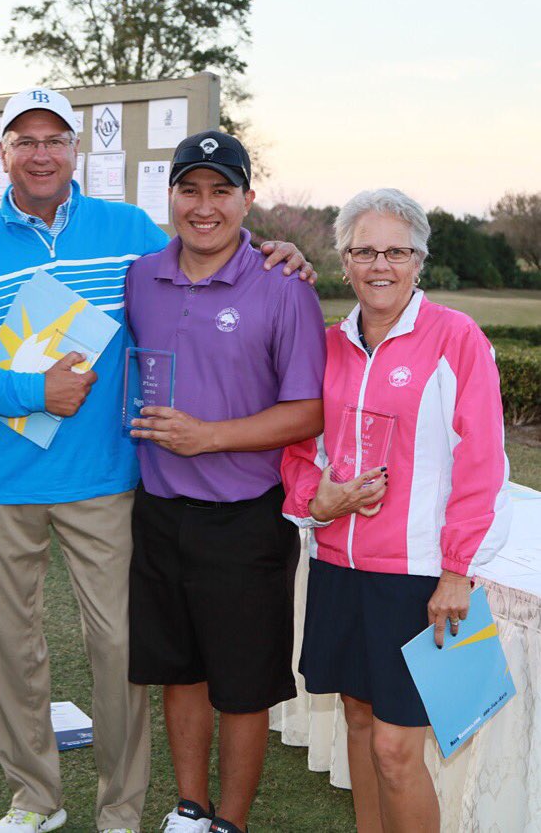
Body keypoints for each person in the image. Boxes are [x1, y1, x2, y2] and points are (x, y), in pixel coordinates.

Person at [0, 90, 313, 833]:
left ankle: (121, 808)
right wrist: (34, 388)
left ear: (74, 150)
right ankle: (36, 798)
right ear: (1, 152)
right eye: (23, 140)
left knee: (119, 650)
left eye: (54, 139)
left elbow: (205, 239)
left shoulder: (127, 231)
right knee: (13, 650)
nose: (40, 153)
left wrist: (275, 247)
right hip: (0, 482)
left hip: (106, 477)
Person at [281, 188, 511, 833]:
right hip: (338, 565)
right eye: (364, 251)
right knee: (358, 720)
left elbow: (482, 463)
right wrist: (313, 498)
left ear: (419, 261)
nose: (380, 265)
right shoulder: (325, 345)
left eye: (397, 251)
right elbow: (297, 450)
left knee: (395, 748)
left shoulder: (454, 338)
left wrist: (456, 570)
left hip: (416, 576)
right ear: (345, 262)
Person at [124, 130, 326, 833]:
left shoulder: (283, 286)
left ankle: (230, 821)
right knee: (178, 669)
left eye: (221, 190)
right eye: (190, 189)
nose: (203, 206)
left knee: (242, 685)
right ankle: (190, 807)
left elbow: (308, 410)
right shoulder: (140, 275)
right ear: (170, 196)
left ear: (246, 199)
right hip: (158, 511)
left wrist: (209, 437)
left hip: (244, 517)